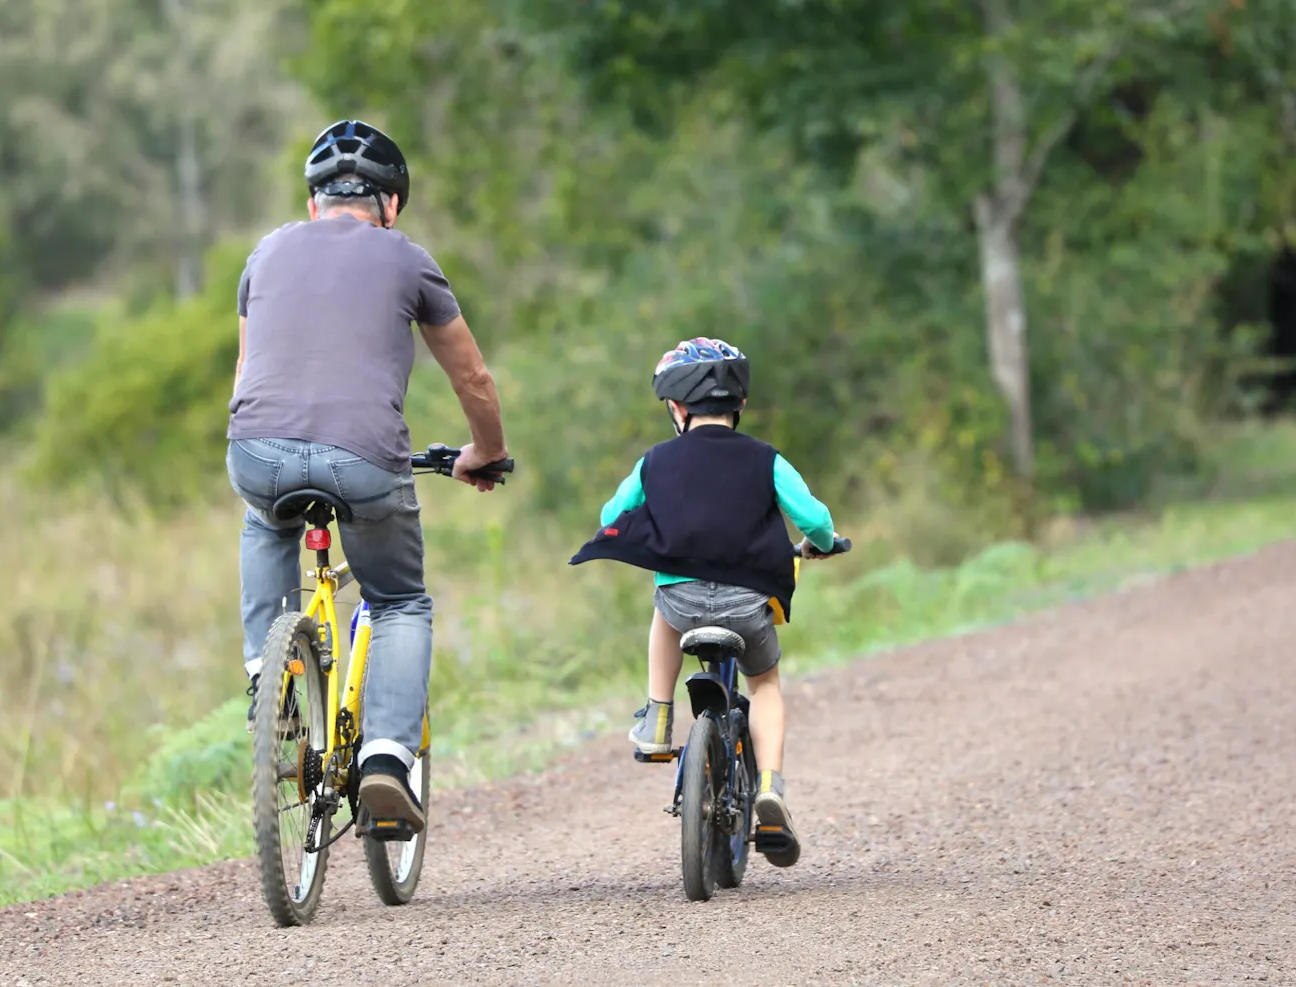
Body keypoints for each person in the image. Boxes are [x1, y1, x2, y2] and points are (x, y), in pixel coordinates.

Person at [228, 120, 509, 834]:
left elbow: (248, 369)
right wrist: (484, 451)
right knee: (400, 602)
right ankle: (386, 757)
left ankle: (270, 675)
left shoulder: (264, 253)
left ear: (315, 199)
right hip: (365, 460)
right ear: (389, 203)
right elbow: (471, 374)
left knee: (266, 518)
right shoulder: (406, 259)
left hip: (257, 450)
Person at [569, 337, 841, 867]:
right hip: (747, 604)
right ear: (738, 405)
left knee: (662, 613)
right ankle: (769, 787)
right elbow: (813, 519)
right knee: (764, 683)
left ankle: (658, 718)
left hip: (682, 602)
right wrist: (824, 545)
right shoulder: (767, 460)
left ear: (676, 407)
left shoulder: (655, 461)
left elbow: (612, 511)